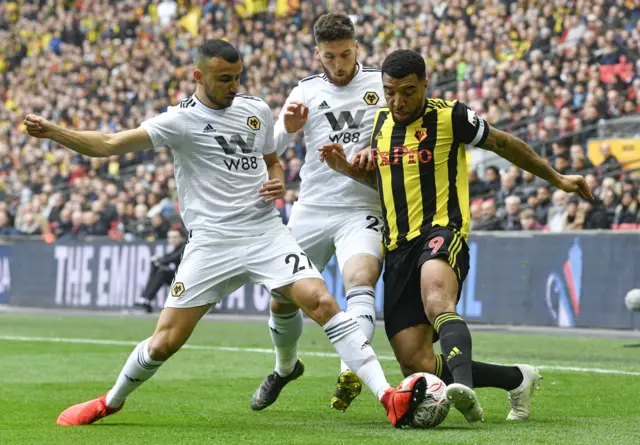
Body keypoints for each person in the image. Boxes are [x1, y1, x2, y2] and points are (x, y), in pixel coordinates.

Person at [24, 40, 424, 428]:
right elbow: (109, 143)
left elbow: (271, 161)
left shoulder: (254, 110)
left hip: (266, 233)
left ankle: (387, 395)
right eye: (224, 79)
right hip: (212, 244)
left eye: (237, 77)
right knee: (164, 342)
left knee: (321, 301)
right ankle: (109, 401)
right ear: (199, 76)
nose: (234, 87)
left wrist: (276, 180)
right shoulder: (178, 121)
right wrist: (55, 132)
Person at [320, 49, 594, 423]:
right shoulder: (382, 122)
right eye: (389, 91)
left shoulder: (452, 116)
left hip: (442, 230)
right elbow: (383, 181)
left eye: (407, 91)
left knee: (437, 299)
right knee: (415, 362)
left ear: (425, 85)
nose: (398, 101)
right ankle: (517, 378)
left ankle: (463, 388)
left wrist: (558, 179)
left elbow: (503, 143)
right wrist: (345, 169)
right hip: (397, 247)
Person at [251, 13, 386, 413]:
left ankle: (351, 369)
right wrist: (288, 127)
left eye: (346, 54)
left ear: (357, 47)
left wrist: (375, 154)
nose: (340, 64)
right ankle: (285, 367)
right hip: (311, 207)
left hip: (362, 205)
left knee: (360, 280)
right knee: (281, 298)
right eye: (331, 57)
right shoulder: (305, 92)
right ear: (317, 55)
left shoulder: (381, 84)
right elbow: (270, 147)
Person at [133, 227, 187, 313]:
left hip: (186, 279)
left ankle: (146, 299)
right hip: (179, 278)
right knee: (158, 268)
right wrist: (158, 261)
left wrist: (159, 260)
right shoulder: (176, 248)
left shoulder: (185, 247)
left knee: (162, 271)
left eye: (175, 237)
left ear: (182, 238)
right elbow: (169, 257)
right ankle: (145, 299)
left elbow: (175, 257)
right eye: (170, 237)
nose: (172, 240)